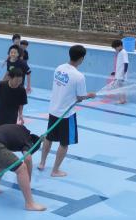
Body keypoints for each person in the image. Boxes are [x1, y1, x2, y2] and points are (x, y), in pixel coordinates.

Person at [38, 44, 96, 177]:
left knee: (49, 137)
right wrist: (90, 95)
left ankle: (42, 163)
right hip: (66, 114)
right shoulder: (79, 76)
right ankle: (55, 170)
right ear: (82, 58)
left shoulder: (59, 68)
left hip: (53, 109)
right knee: (64, 143)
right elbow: (80, 97)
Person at [0, 124, 45, 211]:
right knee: (22, 169)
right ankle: (30, 204)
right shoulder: (28, 142)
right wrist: (28, 179)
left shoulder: (22, 130)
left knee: (1, 164)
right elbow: (28, 159)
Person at [110, 39, 130, 104]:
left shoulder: (123, 52)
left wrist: (124, 72)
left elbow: (126, 63)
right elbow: (120, 64)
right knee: (121, 87)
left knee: (120, 87)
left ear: (120, 46)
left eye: (116, 48)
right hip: (119, 74)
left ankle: (122, 100)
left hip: (121, 75)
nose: (115, 49)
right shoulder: (120, 52)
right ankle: (124, 99)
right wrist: (115, 72)